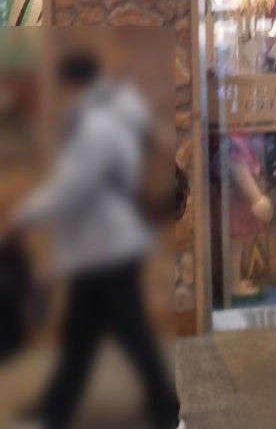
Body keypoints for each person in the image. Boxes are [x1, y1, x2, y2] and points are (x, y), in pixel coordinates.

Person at [5, 49, 184, 429]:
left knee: (128, 334)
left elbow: (73, 187)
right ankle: (56, 409)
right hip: (103, 247)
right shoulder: (109, 113)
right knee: (81, 336)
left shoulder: (96, 124)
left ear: (72, 85)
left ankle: (166, 410)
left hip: (108, 249)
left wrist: (24, 214)